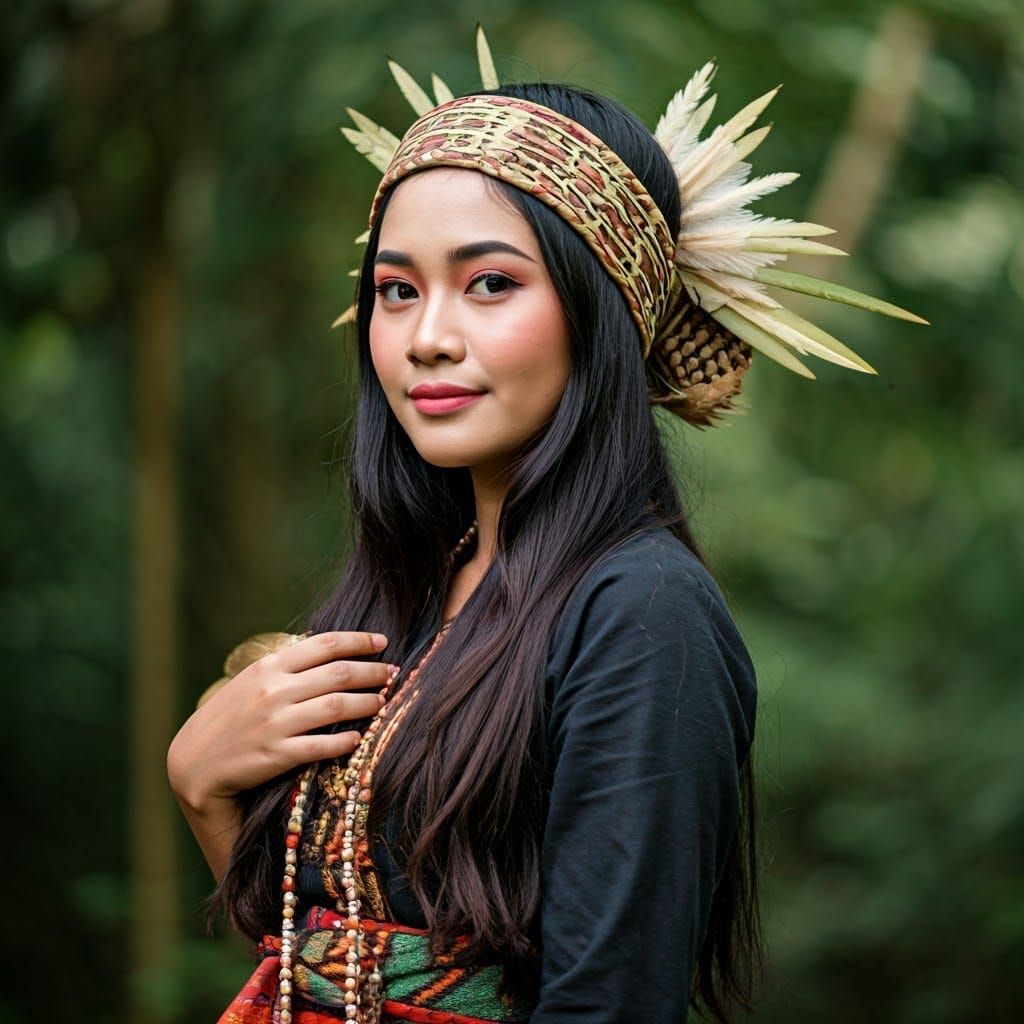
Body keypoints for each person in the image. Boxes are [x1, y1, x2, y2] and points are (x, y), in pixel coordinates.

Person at [167, 27, 924, 1024]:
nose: (427, 336)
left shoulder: (641, 613)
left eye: (489, 283)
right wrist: (201, 786)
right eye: (397, 290)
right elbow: (324, 960)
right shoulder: (419, 584)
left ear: (597, 312)